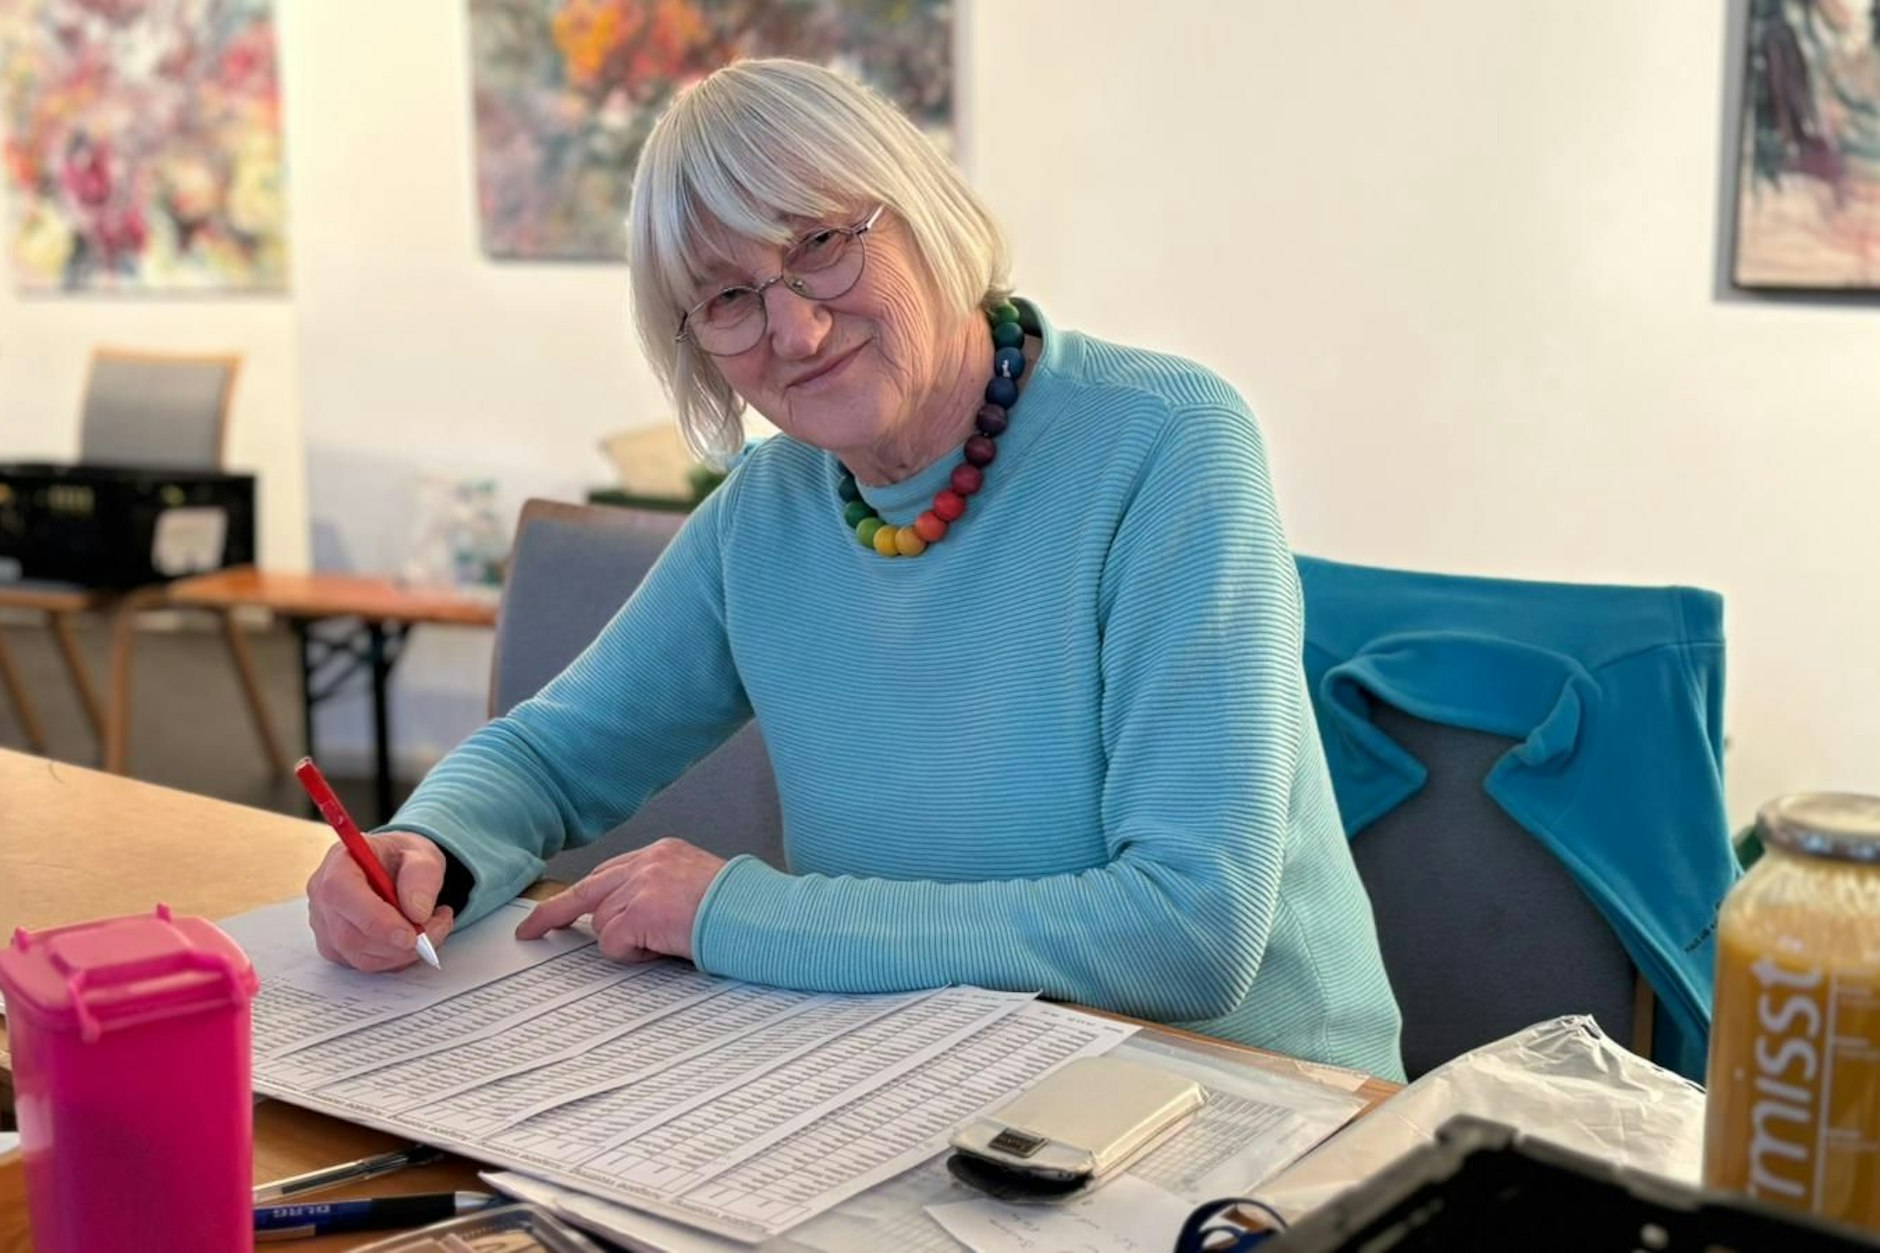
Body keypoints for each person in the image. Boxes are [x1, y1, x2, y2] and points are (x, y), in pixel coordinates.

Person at [304, 58, 1405, 1080]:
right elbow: (551, 756)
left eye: (822, 242)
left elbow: (1189, 931)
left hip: (1255, 1105)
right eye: (726, 298)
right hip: (933, 1078)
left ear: (921, 209)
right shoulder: (771, 508)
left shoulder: (1167, 443)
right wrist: (426, 845)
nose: (794, 328)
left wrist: (736, 912)